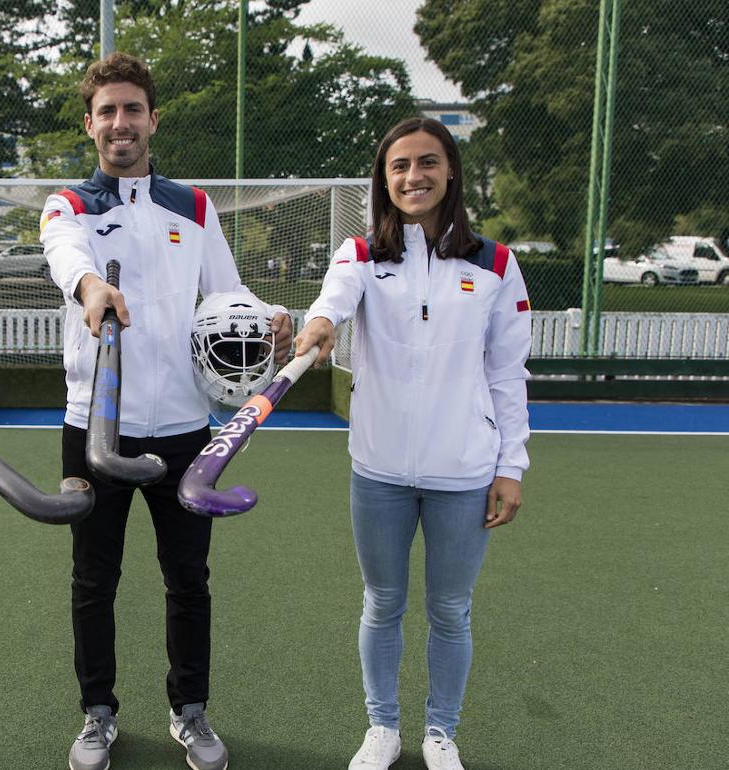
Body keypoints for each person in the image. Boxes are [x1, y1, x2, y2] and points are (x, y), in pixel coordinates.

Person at [40, 52, 292, 770]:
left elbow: (228, 295)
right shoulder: (71, 206)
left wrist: (270, 318)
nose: (121, 123)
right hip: (97, 425)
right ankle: (97, 715)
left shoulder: (195, 206)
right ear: (90, 124)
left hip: (186, 431)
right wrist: (90, 286)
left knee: (189, 579)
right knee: (94, 579)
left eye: (132, 109)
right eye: (107, 111)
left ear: (153, 118)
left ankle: (190, 712)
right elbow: (62, 252)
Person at [294, 117, 531, 770]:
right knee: (383, 603)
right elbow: (332, 301)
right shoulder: (361, 255)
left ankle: (440, 734)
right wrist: (318, 325)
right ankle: (383, 729)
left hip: (465, 472)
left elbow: (508, 377)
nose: (413, 176)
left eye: (427, 163)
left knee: (450, 610)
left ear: (450, 170)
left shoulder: (497, 265)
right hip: (380, 470)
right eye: (399, 166)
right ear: (384, 179)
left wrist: (511, 466)